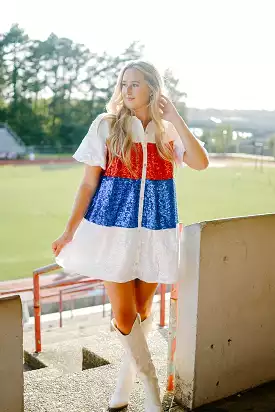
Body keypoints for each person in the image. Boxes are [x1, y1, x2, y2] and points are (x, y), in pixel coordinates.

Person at [52, 60, 209, 412]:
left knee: (141, 311)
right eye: (124, 83)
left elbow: (201, 163)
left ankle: (121, 394)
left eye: (135, 84)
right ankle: (151, 393)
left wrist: (178, 121)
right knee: (125, 316)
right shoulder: (106, 126)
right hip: (113, 231)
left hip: (155, 232)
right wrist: (69, 230)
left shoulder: (168, 132)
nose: (127, 90)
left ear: (152, 88)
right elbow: (88, 183)